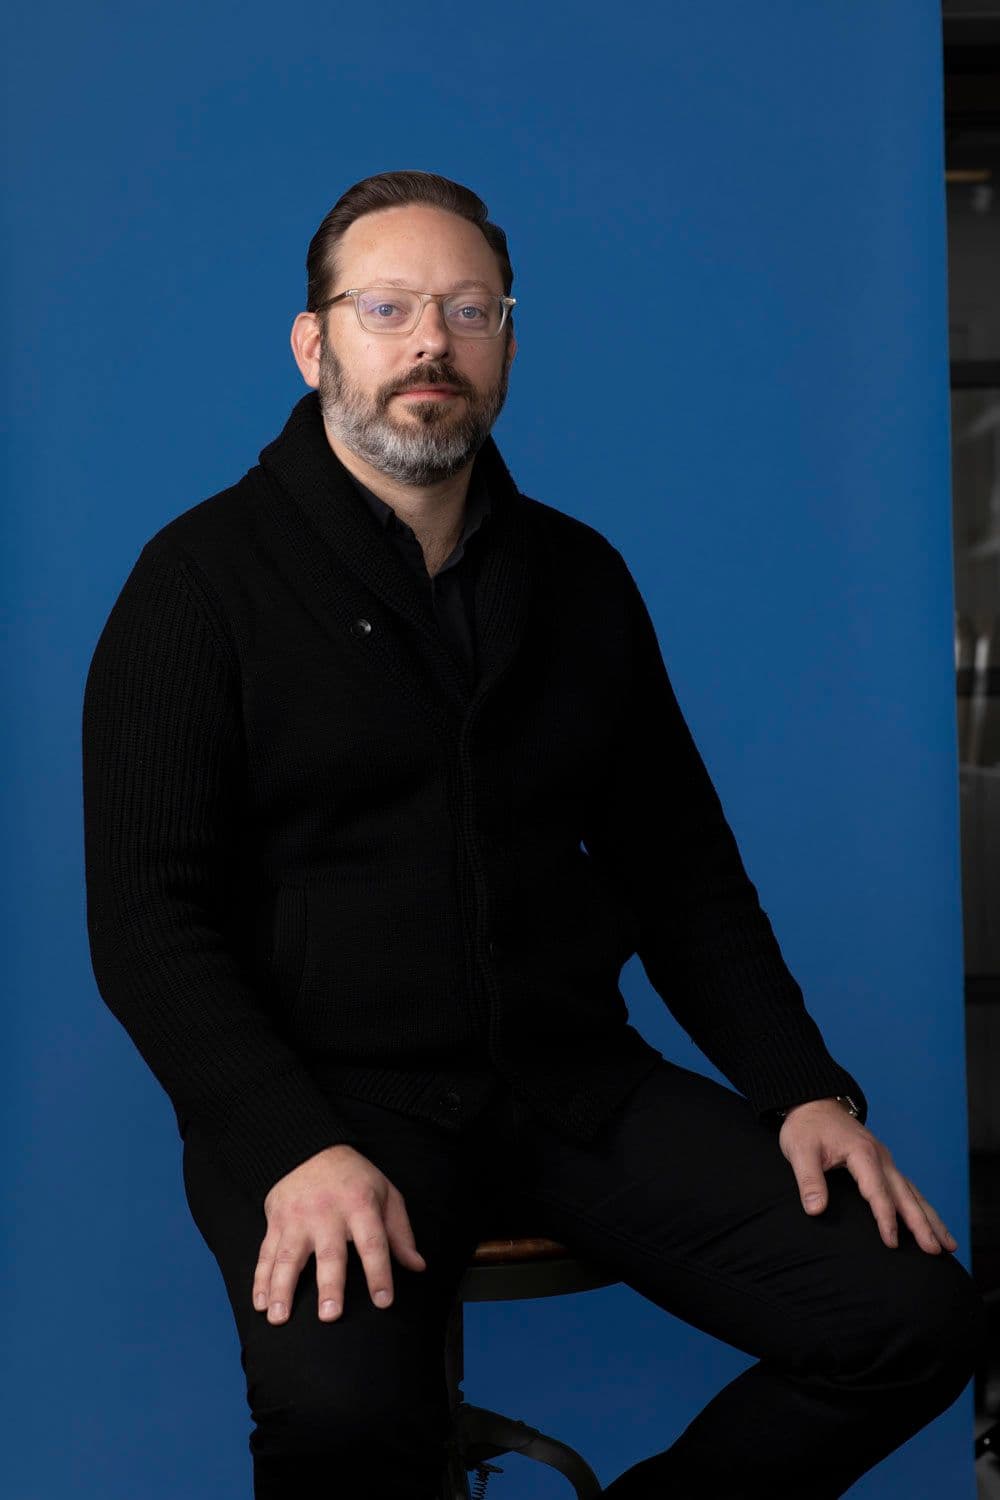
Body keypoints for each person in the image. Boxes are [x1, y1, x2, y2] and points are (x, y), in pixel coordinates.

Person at [81, 169, 985, 1500]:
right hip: (332, 1107)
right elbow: (147, 926)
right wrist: (288, 1147)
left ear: (508, 339)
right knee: (342, 1437)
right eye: (386, 308)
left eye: (469, 309)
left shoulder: (579, 579)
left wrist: (801, 1086)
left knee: (915, 1321)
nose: (430, 343)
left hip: (574, 1086)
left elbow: (681, 874)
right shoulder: (195, 584)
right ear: (314, 341)